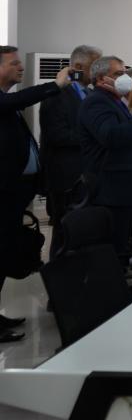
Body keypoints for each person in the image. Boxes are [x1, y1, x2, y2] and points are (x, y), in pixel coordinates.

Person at [0, 46, 71, 343]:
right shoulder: (7, 100)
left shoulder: (8, 101)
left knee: (3, 254)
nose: (21, 67)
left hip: (14, 193)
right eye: (14, 63)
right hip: (3, 193)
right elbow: (18, 100)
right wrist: (55, 85)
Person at [78, 55, 132, 263]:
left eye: (125, 73)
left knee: (129, 247)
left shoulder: (115, 100)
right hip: (114, 192)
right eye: (118, 74)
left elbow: (130, 134)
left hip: (128, 189)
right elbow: (112, 136)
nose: (125, 78)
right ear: (101, 79)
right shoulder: (97, 102)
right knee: (116, 251)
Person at [40, 43, 102, 257]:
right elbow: (56, 135)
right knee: (64, 231)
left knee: (84, 231)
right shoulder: (56, 94)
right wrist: (93, 137)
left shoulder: (91, 94)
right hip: (66, 177)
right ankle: (59, 272)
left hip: (89, 174)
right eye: (95, 65)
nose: (100, 71)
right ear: (78, 67)